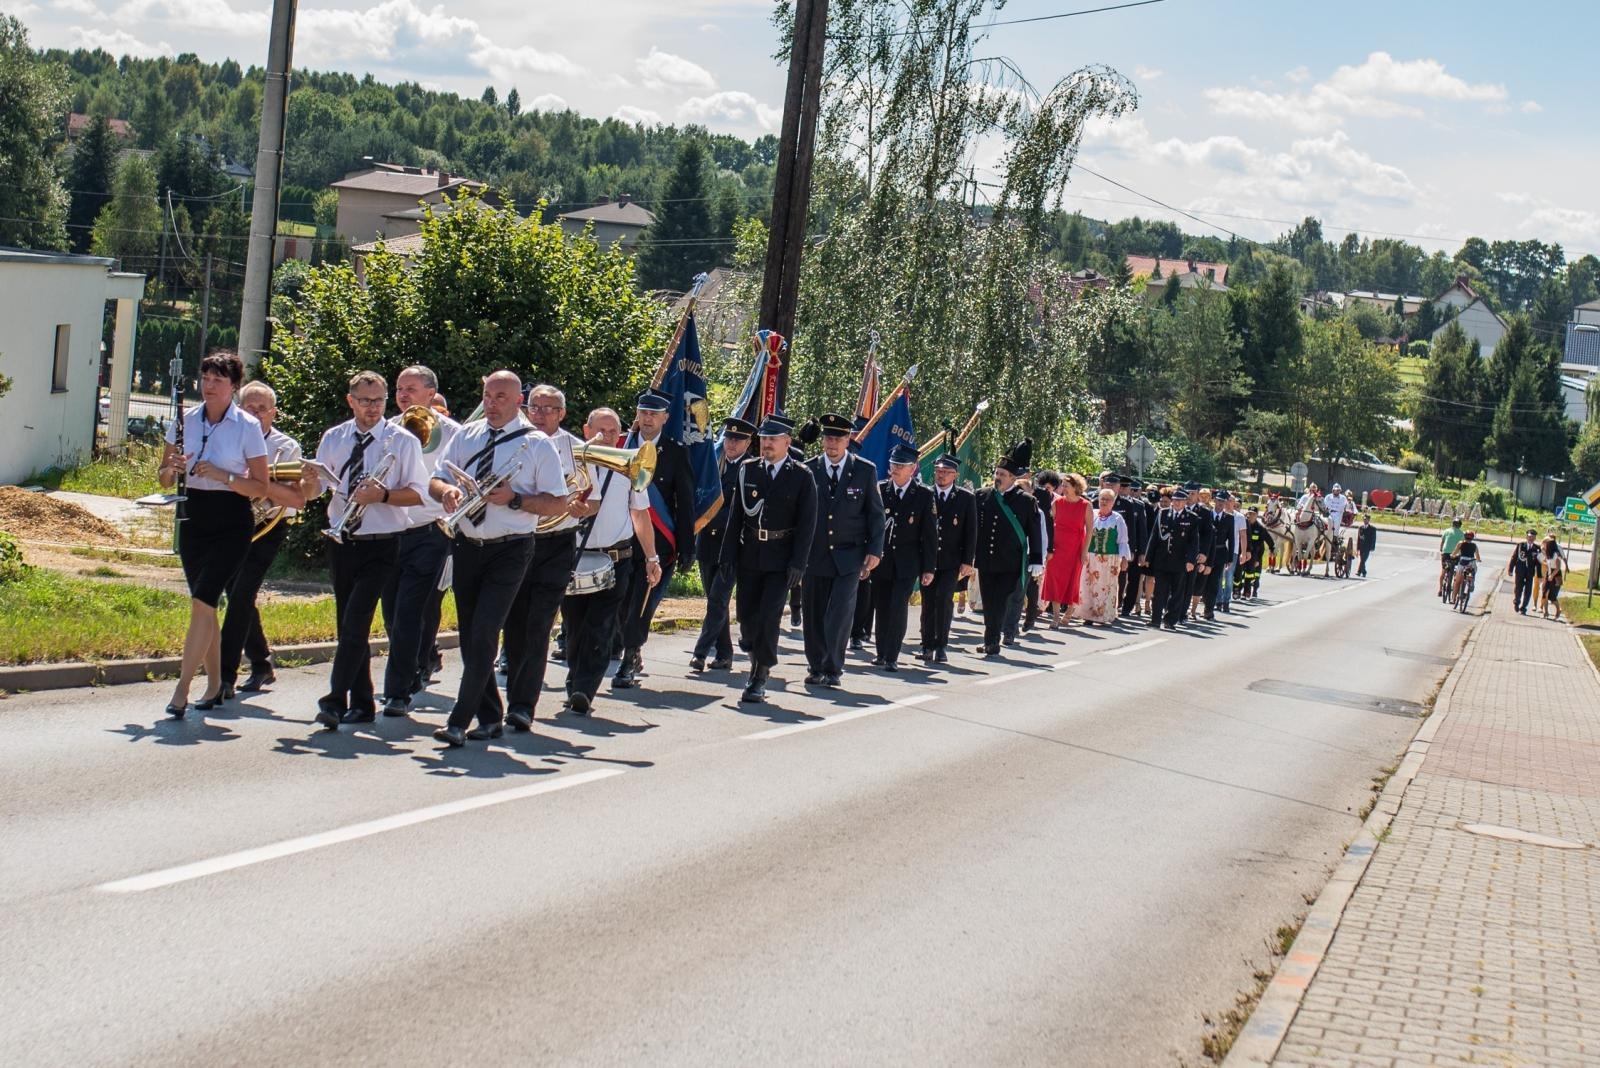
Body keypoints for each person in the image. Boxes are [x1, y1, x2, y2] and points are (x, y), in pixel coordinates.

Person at [427, 371, 571, 746]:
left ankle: (459, 719)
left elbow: (558, 501)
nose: (491, 403)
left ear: (518, 400)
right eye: (488, 396)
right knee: (471, 635)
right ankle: (490, 715)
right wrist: (447, 493)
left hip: (511, 547)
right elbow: (436, 478)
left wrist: (515, 499)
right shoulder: (467, 434)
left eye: (500, 397)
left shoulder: (537, 445)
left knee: (485, 631)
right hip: (466, 543)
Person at [307, 372, 431, 729]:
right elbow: (318, 489)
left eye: (378, 401)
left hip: (383, 542)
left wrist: (383, 495)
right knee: (348, 625)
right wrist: (308, 481)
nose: (373, 408)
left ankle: (333, 701)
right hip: (343, 539)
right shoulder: (334, 437)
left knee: (357, 620)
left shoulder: (402, 440)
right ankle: (362, 703)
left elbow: (418, 493)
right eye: (365, 401)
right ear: (351, 401)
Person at [157, 352, 270, 718]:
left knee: (203, 601)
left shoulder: (246, 426)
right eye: (205, 378)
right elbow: (162, 477)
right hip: (193, 517)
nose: (209, 386)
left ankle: (182, 689)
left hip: (231, 520)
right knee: (203, 608)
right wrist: (171, 468)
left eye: (218, 381)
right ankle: (217, 683)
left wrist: (224, 476)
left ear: (233, 387)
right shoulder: (184, 420)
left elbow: (260, 486)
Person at [560, 407, 660, 716]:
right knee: (574, 625)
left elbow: (640, 515)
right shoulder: (567, 463)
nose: (608, 436)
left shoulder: (628, 467)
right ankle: (575, 679)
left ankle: (584, 689)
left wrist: (652, 557)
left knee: (600, 626)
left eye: (614, 432)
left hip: (616, 558)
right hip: (574, 557)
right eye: (601, 430)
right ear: (586, 431)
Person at [378, 365, 461, 716]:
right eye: (399, 388)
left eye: (410, 388)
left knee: (412, 609)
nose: (402, 395)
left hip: (430, 532)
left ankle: (397, 691)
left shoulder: (457, 434)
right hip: (390, 530)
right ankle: (413, 667)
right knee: (392, 612)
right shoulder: (389, 430)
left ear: (431, 393)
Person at [501, 384, 585, 730]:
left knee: (539, 625)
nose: (540, 414)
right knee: (514, 622)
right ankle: (510, 695)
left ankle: (523, 704)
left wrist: (580, 507)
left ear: (562, 414)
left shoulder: (577, 450)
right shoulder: (513, 440)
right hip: (516, 539)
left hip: (556, 543)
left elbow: (586, 499)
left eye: (549, 408)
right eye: (535, 407)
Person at [217, 380, 305, 699]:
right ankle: (261, 662)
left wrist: (254, 485)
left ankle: (224, 676)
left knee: (241, 596)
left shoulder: (286, 447)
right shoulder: (227, 440)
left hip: (267, 526)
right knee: (236, 595)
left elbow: (295, 498)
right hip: (231, 525)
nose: (255, 414)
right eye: (248, 408)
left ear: (274, 413)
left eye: (262, 409)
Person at [722, 414, 817, 703]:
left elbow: (807, 524)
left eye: (773, 439)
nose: (767, 444)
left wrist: (799, 563)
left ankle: (759, 675)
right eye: (764, 438)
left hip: (781, 558)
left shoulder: (801, 476)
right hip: (750, 554)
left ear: (787, 442)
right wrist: (727, 554)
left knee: (768, 616)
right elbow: (736, 516)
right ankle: (755, 652)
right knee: (747, 619)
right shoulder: (748, 470)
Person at [614, 388, 696, 689]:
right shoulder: (621, 446)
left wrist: (687, 546)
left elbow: (685, 502)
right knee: (620, 602)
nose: (647, 419)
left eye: (654, 414)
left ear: (665, 418)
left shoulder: (675, 452)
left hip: (658, 543)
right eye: (643, 412)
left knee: (641, 602)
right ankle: (629, 648)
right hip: (619, 537)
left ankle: (629, 656)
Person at [803, 413, 884, 687]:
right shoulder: (809, 468)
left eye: (838, 438)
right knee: (813, 614)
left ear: (848, 439)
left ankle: (833, 668)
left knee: (839, 614)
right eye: (828, 437)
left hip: (849, 556)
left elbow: (875, 515)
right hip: (814, 554)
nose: (831, 443)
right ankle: (816, 666)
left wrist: (875, 550)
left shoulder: (865, 470)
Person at [690, 417, 756, 672]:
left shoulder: (751, 469)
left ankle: (700, 652)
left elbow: (744, 511)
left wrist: (709, 514)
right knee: (714, 600)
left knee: (718, 599)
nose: (731, 443)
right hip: (707, 542)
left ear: (748, 442)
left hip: (733, 545)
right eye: (729, 437)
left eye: (738, 439)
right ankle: (725, 654)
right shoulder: (713, 464)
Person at [972, 440, 1043, 656]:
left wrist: (1036, 560)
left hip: (1009, 562)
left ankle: (992, 641)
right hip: (986, 559)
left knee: (1000, 601)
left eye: (1003, 474)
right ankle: (991, 638)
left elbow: (1034, 532)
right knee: (988, 600)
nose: (998, 477)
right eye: (997, 473)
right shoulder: (982, 495)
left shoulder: (1026, 501)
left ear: (1013, 478)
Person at [871, 444, 937, 671]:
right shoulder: (880, 490)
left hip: (907, 563)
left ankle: (892, 655)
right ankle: (881, 652)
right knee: (882, 606)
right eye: (894, 464)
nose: (896, 469)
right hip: (881, 559)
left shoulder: (924, 495)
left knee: (898, 606)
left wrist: (929, 568)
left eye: (902, 465)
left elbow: (929, 535)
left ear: (913, 468)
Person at [920, 452, 976, 663]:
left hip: (952, 560)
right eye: (938, 471)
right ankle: (927, 644)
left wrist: (968, 561)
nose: (940, 475)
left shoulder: (965, 498)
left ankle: (941, 644)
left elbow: (971, 532)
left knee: (944, 600)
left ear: (955, 475)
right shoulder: (926, 494)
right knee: (928, 603)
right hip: (928, 560)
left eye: (945, 472)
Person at [1040, 472, 1091, 627]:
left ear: (1076, 487)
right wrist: (1048, 548)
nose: (1063, 488)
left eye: (1066, 486)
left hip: (1075, 548)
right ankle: (1055, 616)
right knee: (1054, 580)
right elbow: (1049, 526)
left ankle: (1069, 611)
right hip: (1057, 547)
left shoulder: (1085, 505)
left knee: (1072, 581)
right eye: (1062, 485)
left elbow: (1089, 530)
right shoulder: (1057, 503)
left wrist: (1084, 551)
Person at [1143, 487, 1198, 630]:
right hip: (1162, 560)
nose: (1177, 503)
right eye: (1175, 500)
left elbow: (1194, 542)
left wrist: (1191, 560)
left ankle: (1170, 620)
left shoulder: (1191, 517)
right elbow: (1154, 536)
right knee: (1159, 591)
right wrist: (1148, 556)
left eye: (1181, 501)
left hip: (1180, 561)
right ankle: (1155, 619)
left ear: (1185, 502)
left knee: (1176, 593)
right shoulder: (1163, 513)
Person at [1078, 488, 1131, 625]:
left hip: (1109, 558)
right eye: (1102, 499)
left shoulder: (1117, 519)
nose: (1104, 502)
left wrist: (1124, 559)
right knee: (1088, 585)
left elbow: (1123, 540)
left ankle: (1103, 616)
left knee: (1106, 586)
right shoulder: (1092, 514)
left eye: (1107, 499)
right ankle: (1088, 615)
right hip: (1091, 556)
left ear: (1113, 502)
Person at [1023, 471, 1058, 630]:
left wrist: (1049, 548)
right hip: (1015, 549)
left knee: (1032, 584)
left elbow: (1047, 525)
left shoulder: (1041, 497)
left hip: (1034, 547)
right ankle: (1012, 619)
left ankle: (1031, 616)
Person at [1202, 489, 1234, 620]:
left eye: (1223, 501)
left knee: (1214, 583)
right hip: (1206, 553)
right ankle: (1200, 604)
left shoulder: (1229, 519)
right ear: (1214, 501)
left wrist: (1230, 558)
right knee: (1202, 581)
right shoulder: (1207, 515)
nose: (1220, 503)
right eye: (1218, 500)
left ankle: (1209, 610)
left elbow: (1231, 539)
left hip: (1220, 553)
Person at [1507, 528, 1540, 614]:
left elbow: (1538, 563)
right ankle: (1516, 602)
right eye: (1529, 537)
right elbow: (1514, 557)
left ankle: (1524, 608)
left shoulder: (1537, 548)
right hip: (1520, 571)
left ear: (1535, 538)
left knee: (1528, 591)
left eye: (1533, 537)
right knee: (1518, 588)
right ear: (1526, 537)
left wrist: (1539, 575)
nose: (1531, 539)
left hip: (1530, 572)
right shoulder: (1521, 545)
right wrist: (1510, 569)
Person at [1238, 507, 1267, 599]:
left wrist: (1258, 559)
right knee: (1239, 573)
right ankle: (1238, 590)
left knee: (1250, 573)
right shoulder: (1243, 524)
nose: (1251, 516)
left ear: (1257, 515)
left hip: (1253, 554)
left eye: (1253, 514)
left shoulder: (1260, 528)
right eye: (1249, 513)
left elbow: (1262, 545)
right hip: (1242, 552)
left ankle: (1248, 591)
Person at [1449, 530, 1482, 605]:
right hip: (1471, 562)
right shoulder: (1474, 545)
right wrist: (1479, 560)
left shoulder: (1461, 543)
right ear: (1472, 538)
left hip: (1462, 562)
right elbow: (1477, 556)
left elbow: (1455, 552)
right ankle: (1471, 582)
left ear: (1464, 536)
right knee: (1472, 572)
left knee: (1457, 582)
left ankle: (1453, 599)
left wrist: (1452, 556)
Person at [1540, 535, 1567, 619]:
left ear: (1549, 545)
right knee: (1545, 594)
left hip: (1556, 575)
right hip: (1549, 573)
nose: (1544, 545)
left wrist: (1552, 575)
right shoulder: (1548, 553)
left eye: (1545, 544)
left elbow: (1558, 567)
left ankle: (1558, 610)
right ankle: (1546, 613)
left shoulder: (1556, 554)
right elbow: (1543, 557)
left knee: (1552, 597)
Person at [1438, 517, 1465, 598]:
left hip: (1445, 553)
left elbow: (1442, 542)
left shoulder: (1446, 531)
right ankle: (1455, 582)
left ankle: (1440, 589)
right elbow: (1462, 545)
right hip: (1456, 555)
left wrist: (1441, 550)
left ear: (1452, 524)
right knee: (1457, 570)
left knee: (1443, 570)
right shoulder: (1462, 533)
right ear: (1460, 525)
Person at [1355, 512, 1377, 578]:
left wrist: (1372, 547)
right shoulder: (1360, 528)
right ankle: (1364, 572)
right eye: (1364, 519)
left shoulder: (1372, 529)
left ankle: (1359, 572)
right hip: (1361, 547)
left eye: (1366, 519)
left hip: (1367, 547)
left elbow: (1373, 539)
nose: (1365, 520)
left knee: (1363, 560)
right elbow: (1358, 538)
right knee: (1362, 560)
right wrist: (1357, 548)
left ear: (1369, 520)